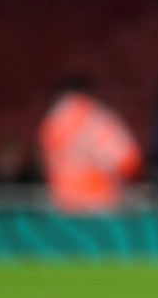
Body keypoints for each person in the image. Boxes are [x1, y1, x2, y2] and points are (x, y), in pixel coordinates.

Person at [38, 77, 143, 214]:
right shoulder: (97, 118)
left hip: (63, 206)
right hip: (100, 206)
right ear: (90, 93)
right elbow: (130, 161)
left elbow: (43, 163)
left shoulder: (52, 122)